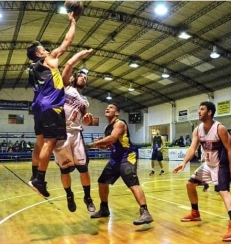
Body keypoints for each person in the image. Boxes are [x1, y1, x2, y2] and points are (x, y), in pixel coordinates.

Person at [173, 101, 231, 242]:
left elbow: (230, 149)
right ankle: (195, 212)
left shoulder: (220, 128)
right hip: (208, 165)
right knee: (190, 185)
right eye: (199, 109)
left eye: (202, 109)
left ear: (209, 112)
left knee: (223, 191)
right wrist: (184, 162)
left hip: (220, 165)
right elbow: (192, 149)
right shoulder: (197, 129)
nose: (199, 112)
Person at [27, 12, 77, 198]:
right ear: (39, 54)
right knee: (50, 141)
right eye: (44, 49)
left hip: (38, 106)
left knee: (40, 142)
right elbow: (67, 41)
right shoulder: (49, 61)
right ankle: (39, 179)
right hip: (51, 106)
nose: (48, 50)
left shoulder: (33, 69)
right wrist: (73, 22)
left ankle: (34, 175)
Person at [88, 103, 154, 225]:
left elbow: (112, 138)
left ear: (117, 113)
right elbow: (107, 146)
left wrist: (92, 144)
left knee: (133, 184)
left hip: (127, 157)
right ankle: (104, 209)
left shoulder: (120, 123)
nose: (107, 108)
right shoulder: (106, 128)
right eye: (107, 107)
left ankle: (145, 212)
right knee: (102, 182)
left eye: (111, 107)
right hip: (115, 159)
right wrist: (98, 144)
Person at [52, 48, 96, 213]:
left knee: (83, 168)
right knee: (65, 169)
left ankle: (87, 197)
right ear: (74, 79)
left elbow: (86, 120)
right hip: (61, 134)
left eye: (86, 78)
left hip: (76, 133)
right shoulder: (64, 88)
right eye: (81, 76)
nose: (84, 78)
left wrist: (88, 120)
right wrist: (81, 55)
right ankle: (69, 195)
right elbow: (68, 66)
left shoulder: (85, 101)